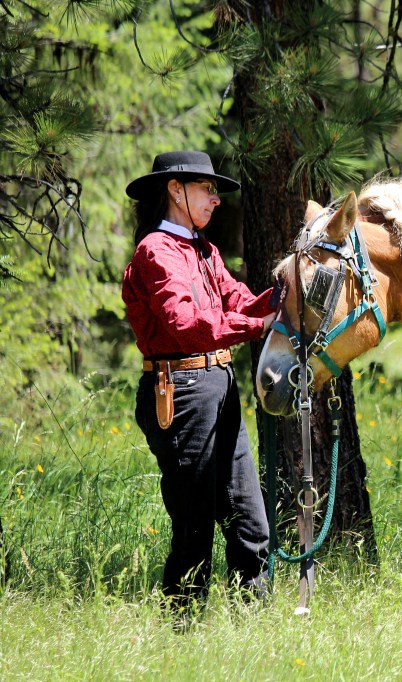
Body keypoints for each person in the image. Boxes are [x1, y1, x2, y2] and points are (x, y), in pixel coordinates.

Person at [122, 150, 276, 613]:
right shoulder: (156, 251)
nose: (216, 199)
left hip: (216, 386)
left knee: (250, 523)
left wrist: (289, 293)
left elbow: (239, 300)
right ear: (175, 190)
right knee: (194, 528)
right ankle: (182, 633)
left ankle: (256, 631)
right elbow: (186, 325)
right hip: (182, 391)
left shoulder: (202, 249)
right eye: (207, 189)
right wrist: (259, 327)